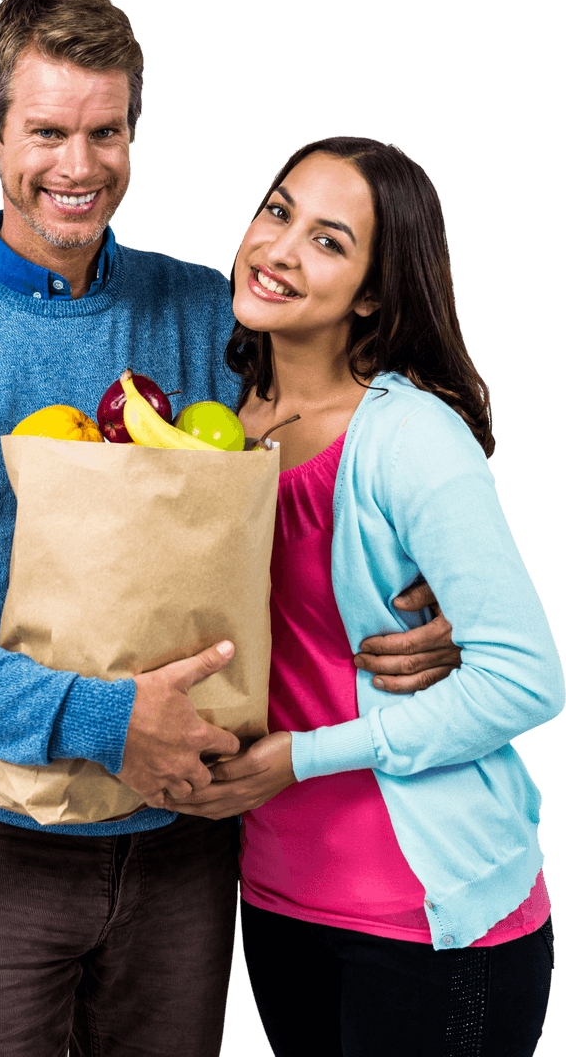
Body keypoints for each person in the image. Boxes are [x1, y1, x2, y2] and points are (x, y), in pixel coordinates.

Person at [0, 0, 459, 1053]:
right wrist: (108, 723)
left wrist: (419, 577)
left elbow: (358, 433)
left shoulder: (208, 310)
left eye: (105, 132)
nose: (77, 167)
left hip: (187, 846)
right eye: (46, 132)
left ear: (132, 132)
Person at [161, 137, 565, 1055]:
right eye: (276, 211)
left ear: (375, 294)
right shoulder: (220, 426)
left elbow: (527, 680)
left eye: (328, 241)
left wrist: (300, 757)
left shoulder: (411, 438)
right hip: (277, 898)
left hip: (428, 918)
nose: (280, 248)